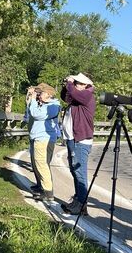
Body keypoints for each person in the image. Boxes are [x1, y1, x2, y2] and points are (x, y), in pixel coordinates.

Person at [59, 73, 96, 216]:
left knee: (80, 173)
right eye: (76, 83)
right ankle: (78, 201)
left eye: (80, 83)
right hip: (72, 139)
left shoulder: (87, 96)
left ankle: (81, 205)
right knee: (75, 171)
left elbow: (74, 94)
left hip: (81, 141)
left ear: (87, 85)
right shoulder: (77, 97)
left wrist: (70, 83)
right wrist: (66, 86)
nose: (76, 85)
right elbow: (66, 97)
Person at [25, 83, 61, 201]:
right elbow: (31, 111)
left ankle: (48, 192)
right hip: (39, 137)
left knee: (42, 164)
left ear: (49, 94)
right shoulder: (47, 104)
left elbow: (36, 114)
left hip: (44, 138)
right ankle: (43, 188)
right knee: (39, 164)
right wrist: (31, 97)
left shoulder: (53, 106)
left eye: (41, 93)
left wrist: (34, 100)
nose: (39, 95)